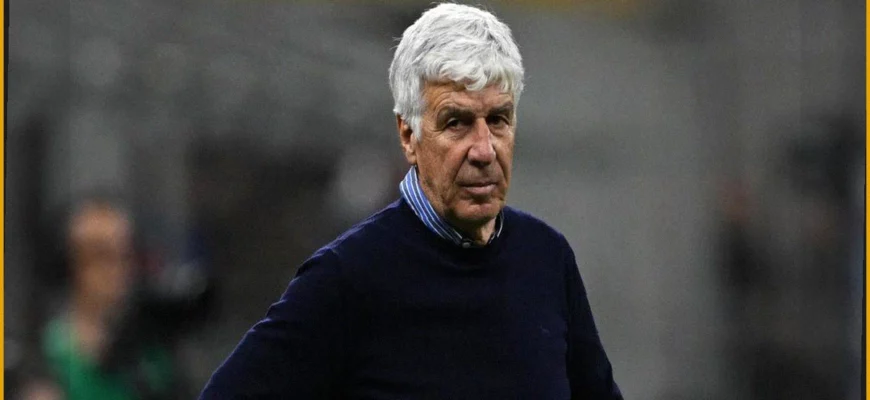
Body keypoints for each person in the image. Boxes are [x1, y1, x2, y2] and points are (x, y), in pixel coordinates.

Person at [200, 3, 622, 399]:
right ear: (409, 136)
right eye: (456, 123)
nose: (484, 149)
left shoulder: (546, 258)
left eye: (498, 120)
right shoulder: (348, 278)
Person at [35, 196, 179, 400]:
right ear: (70, 264)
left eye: (125, 255)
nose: (117, 270)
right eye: (102, 256)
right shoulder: (50, 355)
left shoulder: (152, 348)